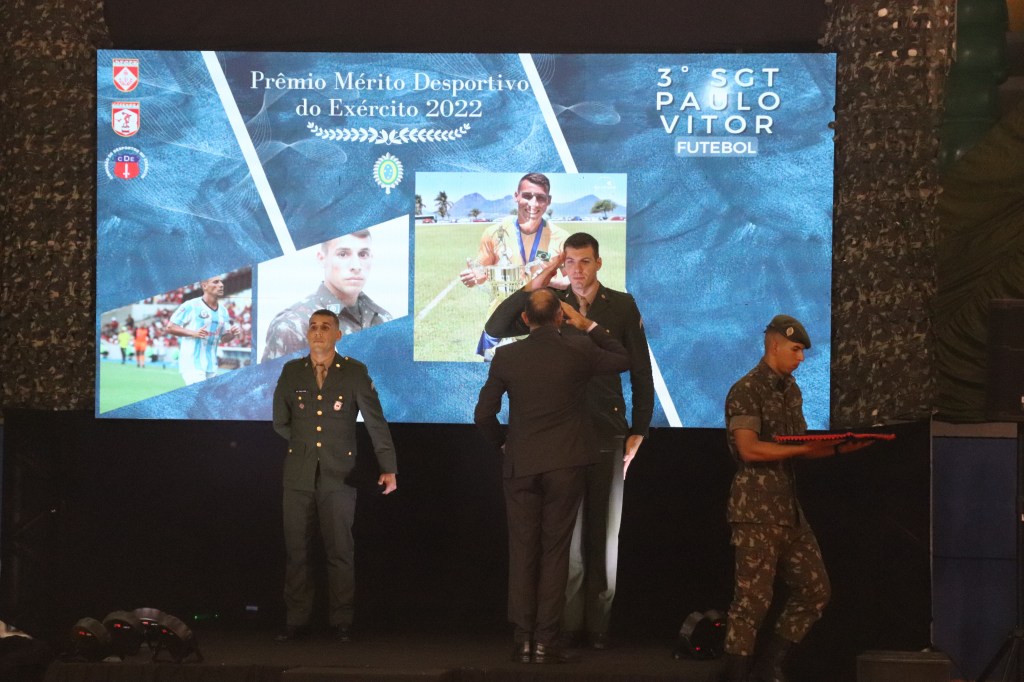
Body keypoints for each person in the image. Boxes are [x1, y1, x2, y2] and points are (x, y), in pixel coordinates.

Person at [484, 232, 654, 648]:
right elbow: (495, 327)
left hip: (606, 429)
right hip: (563, 442)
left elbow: (639, 369)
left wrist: (639, 429)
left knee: (604, 538)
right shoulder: (551, 304)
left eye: (584, 262)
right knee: (569, 544)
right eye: (570, 262)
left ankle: (598, 628)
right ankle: (566, 627)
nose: (577, 271)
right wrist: (537, 281)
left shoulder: (621, 305)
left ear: (599, 263)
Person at [474, 289, 630, 664]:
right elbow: (624, 358)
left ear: (525, 319)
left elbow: (483, 414)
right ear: (560, 317)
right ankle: (545, 641)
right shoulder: (579, 349)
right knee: (556, 552)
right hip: (565, 464)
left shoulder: (507, 356)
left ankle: (523, 641)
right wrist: (588, 324)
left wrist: (502, 444)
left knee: (523, 552)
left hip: (521, 464)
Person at [720, 315, 873, 682]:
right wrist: (802, 449)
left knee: (815, 590)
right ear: (774, 345)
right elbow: (749, 449)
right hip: (755, 509)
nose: (801, 357)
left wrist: (841, 448)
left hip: (788, 509)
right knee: (751, 603)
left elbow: (801, 446)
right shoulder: (747, 389)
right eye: (796, 349)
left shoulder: (791, 390)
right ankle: (736, 675)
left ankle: (769, 665)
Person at [272, 308, 397, 643]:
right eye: (313, 326)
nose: (318, 332)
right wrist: (306, 445)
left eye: (325, 327)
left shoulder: (354, 372)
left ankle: (342, 621)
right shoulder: (292, 371)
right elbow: (280, 422)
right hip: (298, 475)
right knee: (297, 551)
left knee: (340, 551)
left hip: (339, 476)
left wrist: (388, 467)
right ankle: (296, 621)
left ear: (338, 335)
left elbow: (376, 423)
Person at [459, 173, 570, 357]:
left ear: (548, 201)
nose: (533, 204)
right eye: (527, 196)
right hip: (501, 321)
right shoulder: (494, 233)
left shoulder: (562, 238)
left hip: (542, 324)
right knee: (495, 371)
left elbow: (572, 282)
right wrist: (474, 277)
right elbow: (482, 272)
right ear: (516, 196)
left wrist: (548, 281)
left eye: (540, 198)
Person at [262, 231, 392, 361]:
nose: (356, 266)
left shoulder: (383, 319)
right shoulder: (293, 327)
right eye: (343, 254)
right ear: (321, 259)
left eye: (363, 254)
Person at [166, 274, 243, 385]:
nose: (221, 285)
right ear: (204, 286)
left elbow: (223, 339)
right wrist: (193, 333)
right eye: (216, 282)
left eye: (221, 282)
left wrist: (232, 334)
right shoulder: (191, 305)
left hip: (211, 365)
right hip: (192, 364)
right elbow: (170, 327)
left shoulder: (223, 311)